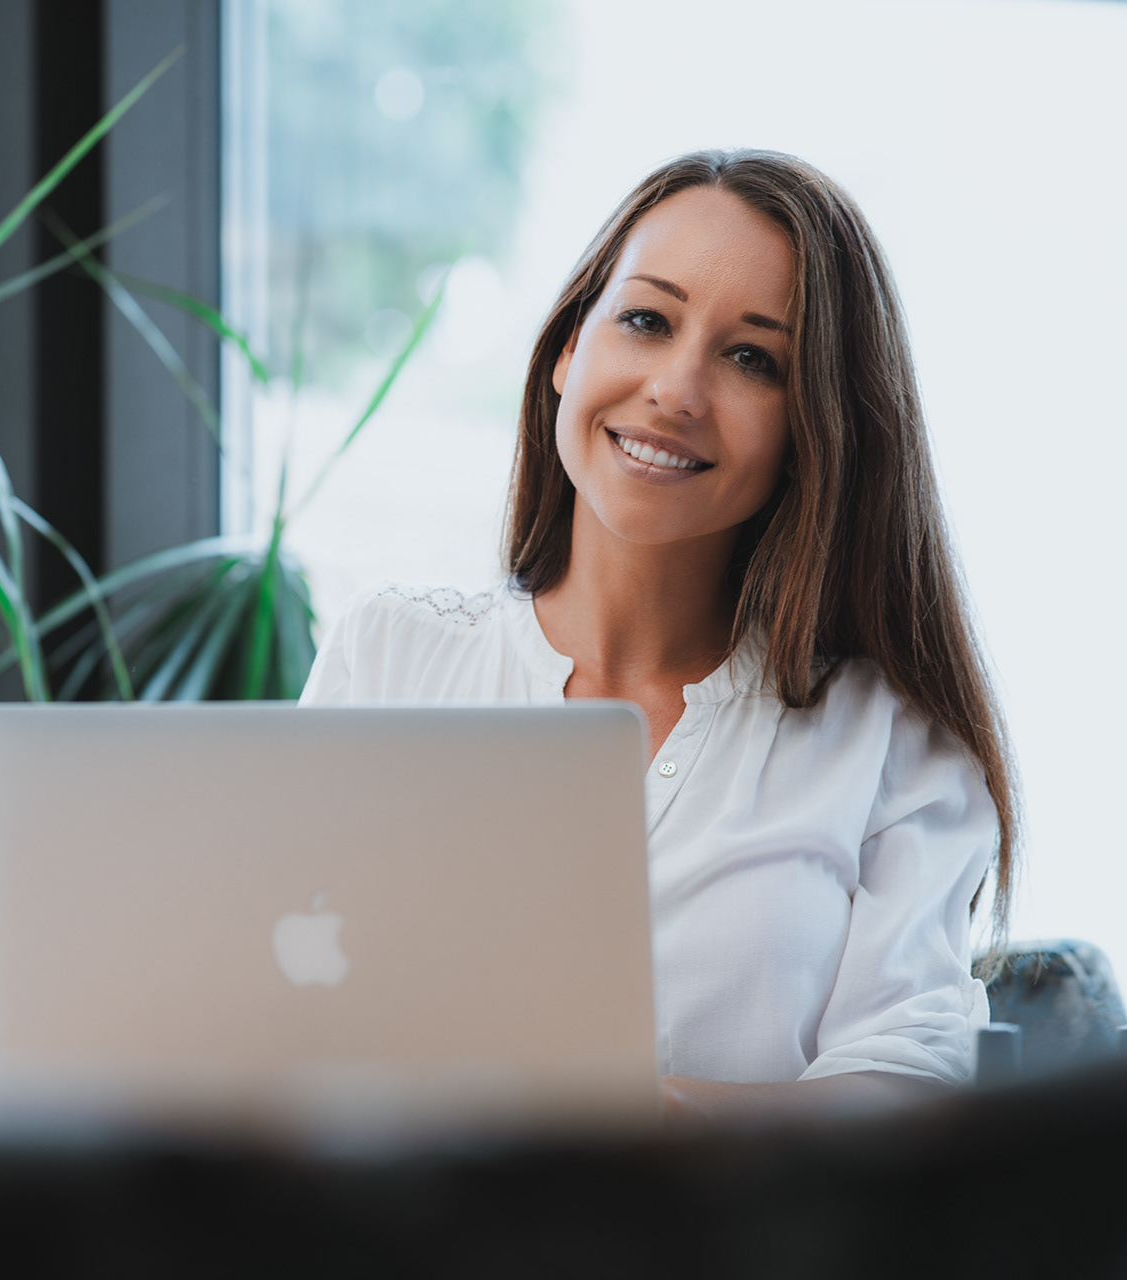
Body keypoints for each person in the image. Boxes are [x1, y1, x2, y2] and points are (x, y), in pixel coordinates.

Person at [299, 150, 1018, 1125]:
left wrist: (622, 1117)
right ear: (567, 349)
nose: (677, 389)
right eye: (647, 319)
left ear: (816, 427)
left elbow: (908, 1089)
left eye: (753, 357)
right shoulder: (390, 653)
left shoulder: (891, 742)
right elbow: (288, 992)